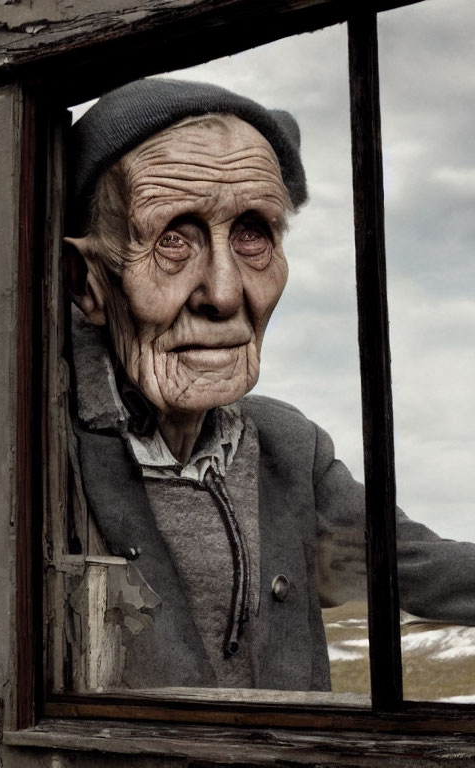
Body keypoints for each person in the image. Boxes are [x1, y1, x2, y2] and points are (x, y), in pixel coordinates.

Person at [64, 78, 475, 691]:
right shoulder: (42, 448)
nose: (225, 294)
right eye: (174, 238)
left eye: (253, 233)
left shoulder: (286, 446)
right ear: (88, 282)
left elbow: (423, 568)